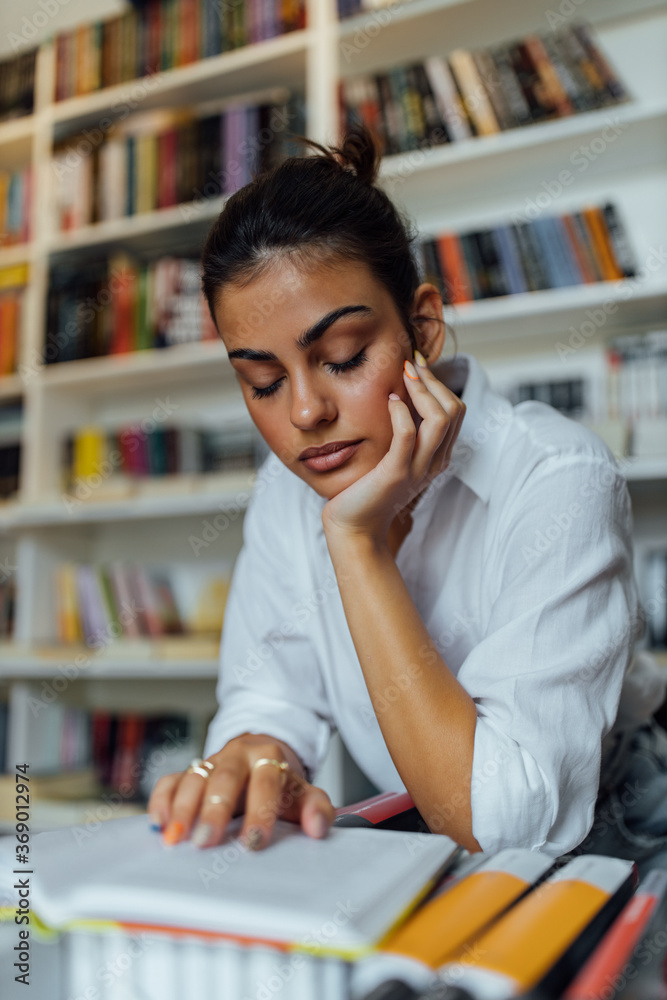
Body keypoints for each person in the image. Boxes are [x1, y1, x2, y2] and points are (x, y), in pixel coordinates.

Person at [147, 122, 667, 871]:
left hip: (610, 828)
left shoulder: (556, 478)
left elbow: (504, 822)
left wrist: (358, 546)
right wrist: (258, 751)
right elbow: (270, 695)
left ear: (421, 327)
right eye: (261, 381)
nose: (302, 413)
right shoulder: (284, 489)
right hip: (423, 827)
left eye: (343, 357)